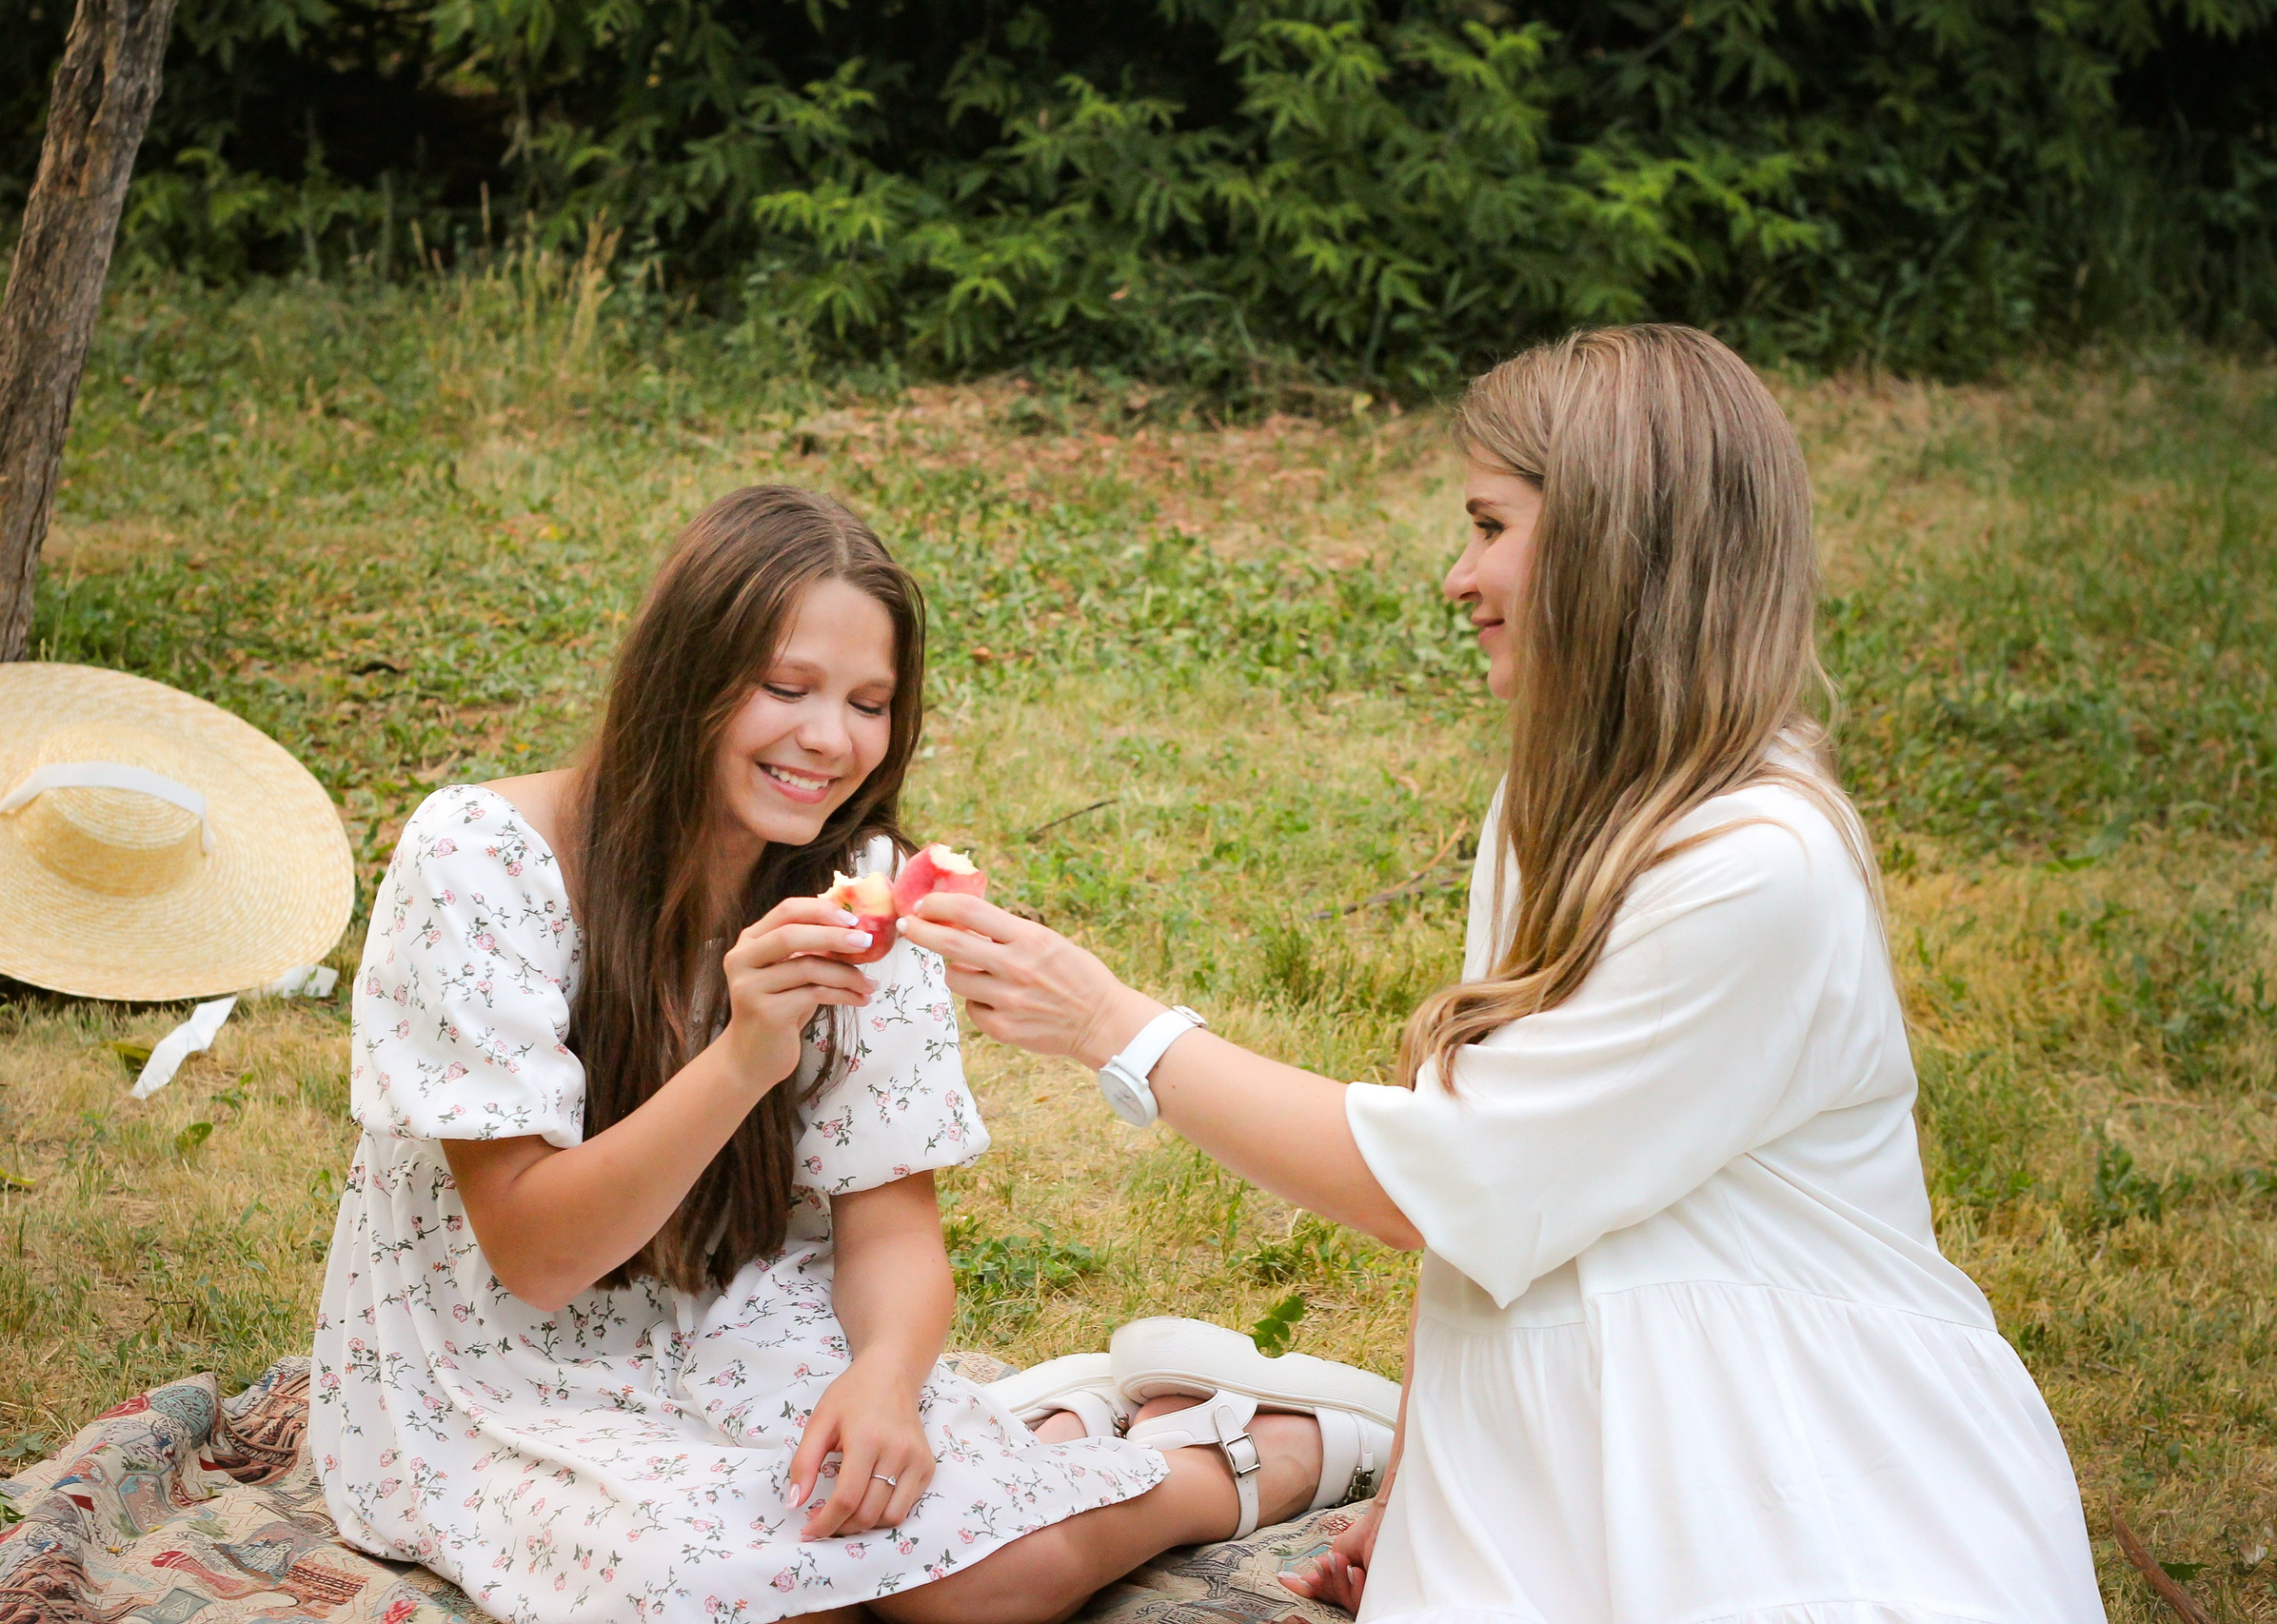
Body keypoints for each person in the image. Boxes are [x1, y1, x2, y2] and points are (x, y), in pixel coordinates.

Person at [901, 327, 2110, 1622]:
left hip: (1781, 1461)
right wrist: (1420, 1486)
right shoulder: (1559, 811)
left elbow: (1452, 1184)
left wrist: (1116, 1027)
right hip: (1573, 1417)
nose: (1456, 575)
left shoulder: (1761, 865)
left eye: (1490, 524)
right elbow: (1496, 1229)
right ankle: (1321, 1439)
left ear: (1615, 544)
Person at [308, 485, 1383, 1624]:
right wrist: (741, 1056)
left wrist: (884, 1375)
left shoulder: (857, 885)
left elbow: (893, 1230)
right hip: (503, 1371)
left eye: (869, 702)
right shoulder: (481, 862)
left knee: (990, 1586)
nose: (829, 740)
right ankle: (1057, 1429)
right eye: (785, 688)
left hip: (740, 1314)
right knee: (746, 1595)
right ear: (683, 677)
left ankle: (1243, 1447)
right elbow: (535, 1254)